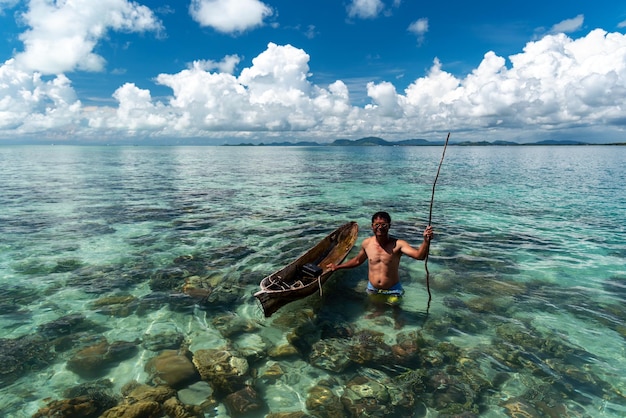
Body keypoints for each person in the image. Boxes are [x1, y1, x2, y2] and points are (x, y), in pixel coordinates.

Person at [326, 211, 433, 324]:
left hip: (393, 290)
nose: (380, 228)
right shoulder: (367, 243)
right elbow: (357, 260)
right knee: (378, 308)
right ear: (372, 226)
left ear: (389, 226)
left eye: (384, 225)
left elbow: (419, 256)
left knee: (396, 310)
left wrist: (426, 241)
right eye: (377, 224)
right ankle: (379, 313)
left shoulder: (398, 244)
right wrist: (337, 266)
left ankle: (398, 318)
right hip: (373, 289)